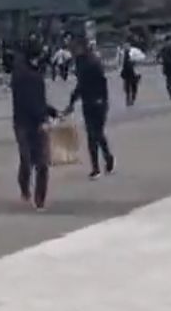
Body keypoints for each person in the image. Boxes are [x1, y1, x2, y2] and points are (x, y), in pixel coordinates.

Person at [11, 50, 58, 211]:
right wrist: (44, 116)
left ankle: (33, 194)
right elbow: (33, 102)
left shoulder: (22, 77)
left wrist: (51, 112)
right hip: (29, 123)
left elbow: (37, 101)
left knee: (31, 160)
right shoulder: (29, 78)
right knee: (38, 162)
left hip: (24, 122)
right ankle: (37, 197)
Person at [67, 39, 115, 180]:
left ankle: (104, 160)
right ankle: (98, 165)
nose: (73, 52)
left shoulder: (93, 62)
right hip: (88, 102)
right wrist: (72, 102)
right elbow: (80, 85)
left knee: (96, 134)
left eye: (75, 49)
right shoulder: (80, 62)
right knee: (92, 135)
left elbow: (102, 81)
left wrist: (102, 99)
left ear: (82, 48)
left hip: (98, 102)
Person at [118, 42, 142, 107]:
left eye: (127, 46)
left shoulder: (134, 53)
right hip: (126, 73)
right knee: (127, 87)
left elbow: (140, 59)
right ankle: (128, 99)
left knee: (134, 86)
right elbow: (119, 62)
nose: (126, 47)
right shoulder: (122, 54)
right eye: (125, 46)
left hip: (134, 72)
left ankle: (133, 97)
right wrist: (120, 71)